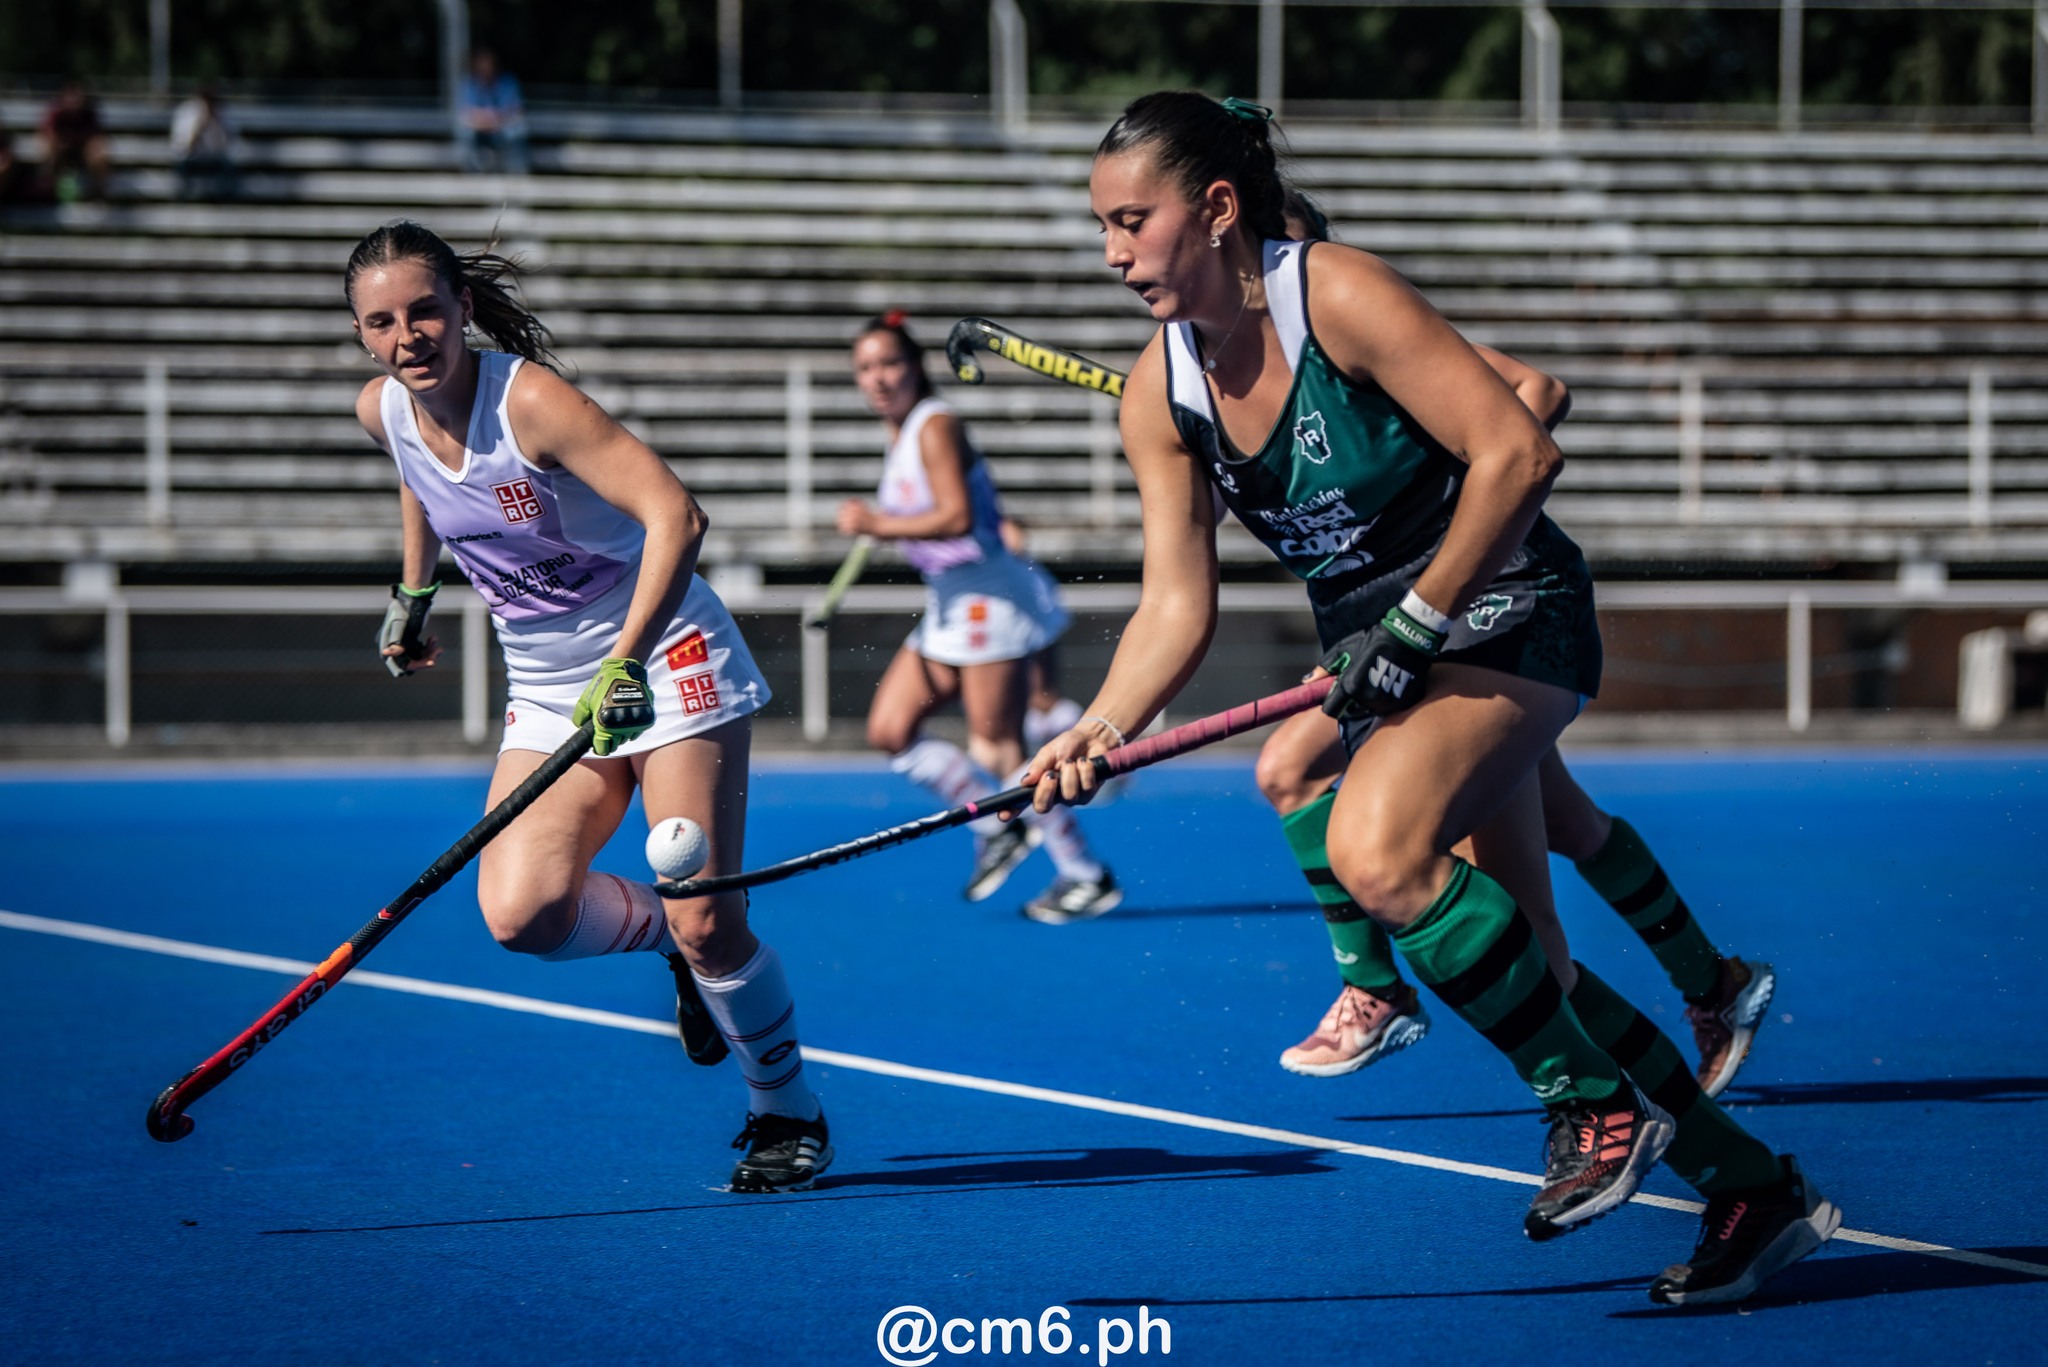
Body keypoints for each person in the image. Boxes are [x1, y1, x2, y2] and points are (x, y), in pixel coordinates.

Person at [1028, 91, 1838, 1304]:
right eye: (1100, 227)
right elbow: (1172, 609)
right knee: (1536, 969)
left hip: (1508, 610)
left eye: (1129, 222)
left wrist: (1415, 618)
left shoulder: (1337, 291)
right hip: (1388, 661)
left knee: (1373, 843)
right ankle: (1751, 1188)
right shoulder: (1162, 394)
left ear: (1214, 208)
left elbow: (1519, 449)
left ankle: (1591, 1107)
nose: (1110, 252)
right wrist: (1097, 727)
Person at [347, 219, 829, 1192]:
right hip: (547, 684)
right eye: (382, 322)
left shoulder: (529, 402)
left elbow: (676, 514)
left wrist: (625, 660)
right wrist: (413, 591)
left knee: (708, 912)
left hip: (664, 652)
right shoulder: (383, 410)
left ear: (462, 309)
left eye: (425, 311)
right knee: (521, 913)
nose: (408, 337)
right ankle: (675, 950)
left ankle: (784, 1109)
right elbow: (420, 481)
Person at [1261, 193, 1774, 1092]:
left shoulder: (1354, 332)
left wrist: (1442, 534)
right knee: (1567, 834)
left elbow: (1538, 392)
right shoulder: (1252, 367)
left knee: (1294, 766)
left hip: (1476, 617)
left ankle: (1375, 987)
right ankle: (1713, 990)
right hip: (1407, 634)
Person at [843, 313, 1120, 924]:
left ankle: (1085, 874)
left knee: (998, 749)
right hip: (947, 603)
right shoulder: (902, 435)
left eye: (889, 363)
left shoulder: (934, 424)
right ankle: (999, 825)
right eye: (866, 368)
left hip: (987, 604)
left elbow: (957, 518)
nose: (879, 378)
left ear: (914, 367)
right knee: (890, 729)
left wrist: (877, 524)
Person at [457, 50, 530, 174]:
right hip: (480, 133)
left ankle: (517, 174)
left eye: (488, 64)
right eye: (481, 65)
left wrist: (493, 119)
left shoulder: (508, 82)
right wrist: (490, 120)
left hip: (502, 131)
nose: (485, 68)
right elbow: (466, 114)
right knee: (465, 131)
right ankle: (472, 175)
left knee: (517, 129)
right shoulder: (469, 83)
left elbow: (516, 112)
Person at [40, 80, 110, 203]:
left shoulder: (89, 114)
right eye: (71, 96)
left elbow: (96, 137)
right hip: (60, 154)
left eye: (78, 96)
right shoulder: (56, 113)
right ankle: (48, 187)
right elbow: (48, 132)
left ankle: (98, 193)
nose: (74, 101)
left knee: (99, 150)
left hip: (83, 154)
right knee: (49, 144)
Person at [170, 85, 238, 200]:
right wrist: (200, 126)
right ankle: (184, 202)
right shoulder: (187, 112)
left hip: (215, 160)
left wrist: (217, 124)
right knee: (181, 170)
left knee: (229, 170)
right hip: (192, 160)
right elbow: (184, 148)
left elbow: (228, 146)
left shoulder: (223, 114)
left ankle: (224, 202)